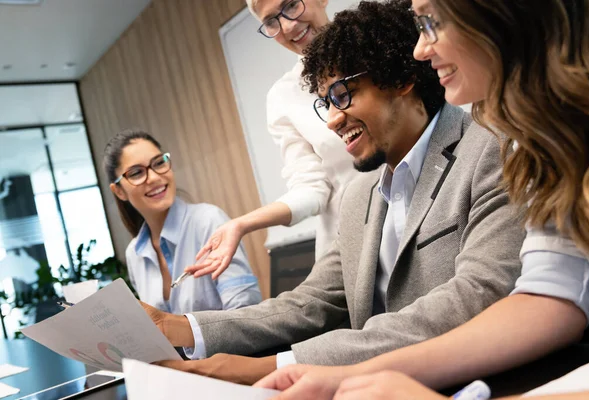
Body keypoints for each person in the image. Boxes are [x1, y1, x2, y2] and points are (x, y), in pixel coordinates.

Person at [143, 0, 524, 385]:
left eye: (342, 95)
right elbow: (309, 303)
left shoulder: (491, 149)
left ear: (400, 78)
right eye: (325, 102)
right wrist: (179, 326)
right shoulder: (360, 195)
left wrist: (274, 367)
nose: (331, 120)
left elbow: (476, 297)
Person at [254, 0, 589, 398]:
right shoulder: (542, 141)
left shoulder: (495, 148)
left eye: (431, 21)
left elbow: (491, 294)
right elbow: (548, 301)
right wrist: (352, 377)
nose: (417, 50)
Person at [188, 0, 360, 279]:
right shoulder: (284, 96)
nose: (288, 26)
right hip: (354, 244)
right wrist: (242, 224)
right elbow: (311, 188)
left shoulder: (379, 44)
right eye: (271, 21)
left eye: (291, 5)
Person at [103, 129, 262, 317]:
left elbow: (246, 314)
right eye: (137, 173)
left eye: (159, 163)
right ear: (119, 191)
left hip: (230, 347)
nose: (154, 177)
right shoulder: (134, 253)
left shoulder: (208, 221)